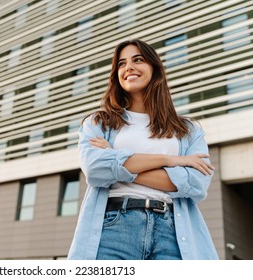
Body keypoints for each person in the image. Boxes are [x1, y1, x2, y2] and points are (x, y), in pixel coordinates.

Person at [67, 39, 218, 260]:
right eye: (121, 63)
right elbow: (95, 169)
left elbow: (196, 184)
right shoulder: (99, 123)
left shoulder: (188, 130)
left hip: (172, 233)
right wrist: (171, 161)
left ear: (154, 69)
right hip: (114, 227)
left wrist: (117, 160)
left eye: (137, 60)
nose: (128, 67)